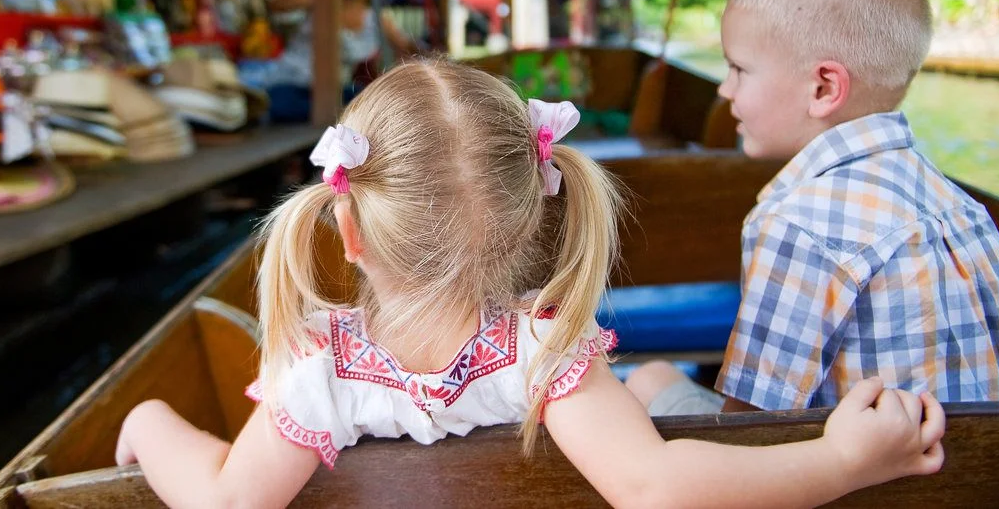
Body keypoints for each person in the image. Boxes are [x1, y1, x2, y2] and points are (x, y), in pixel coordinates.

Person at [116, 59, 945, 509]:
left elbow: (226, 502)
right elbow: (656, 489)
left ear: (348, 230)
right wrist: (839, 460)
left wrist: (152, 422)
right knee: (662, 383)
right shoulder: (542, 352)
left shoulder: (317, 374)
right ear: (529, 219)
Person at [627, 0, 999, 418]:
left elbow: (750, 426)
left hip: (866, 486)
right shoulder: (959, 206)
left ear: (824, 88)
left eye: (739, 69)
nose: (724, 89)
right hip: (997, 473)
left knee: (648, 377)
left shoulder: (796, 223)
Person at [243, 0, 421, 122]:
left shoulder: (376, 19)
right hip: (290, 85)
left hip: (331, 94)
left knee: (368, 100)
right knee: (283, 104)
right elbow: (275, 6)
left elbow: (410, 50)